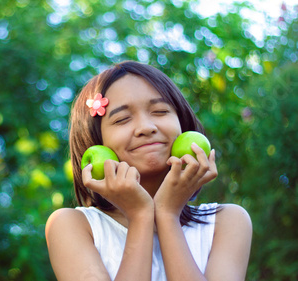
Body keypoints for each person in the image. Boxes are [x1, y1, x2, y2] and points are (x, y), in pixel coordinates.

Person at [45, 61, 252, 281]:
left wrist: (167, 214)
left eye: (160, 111)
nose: (146, 127)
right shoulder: (73, 226)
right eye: (122, 119)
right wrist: (140, 216)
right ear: (95, 143)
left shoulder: (226, 222)